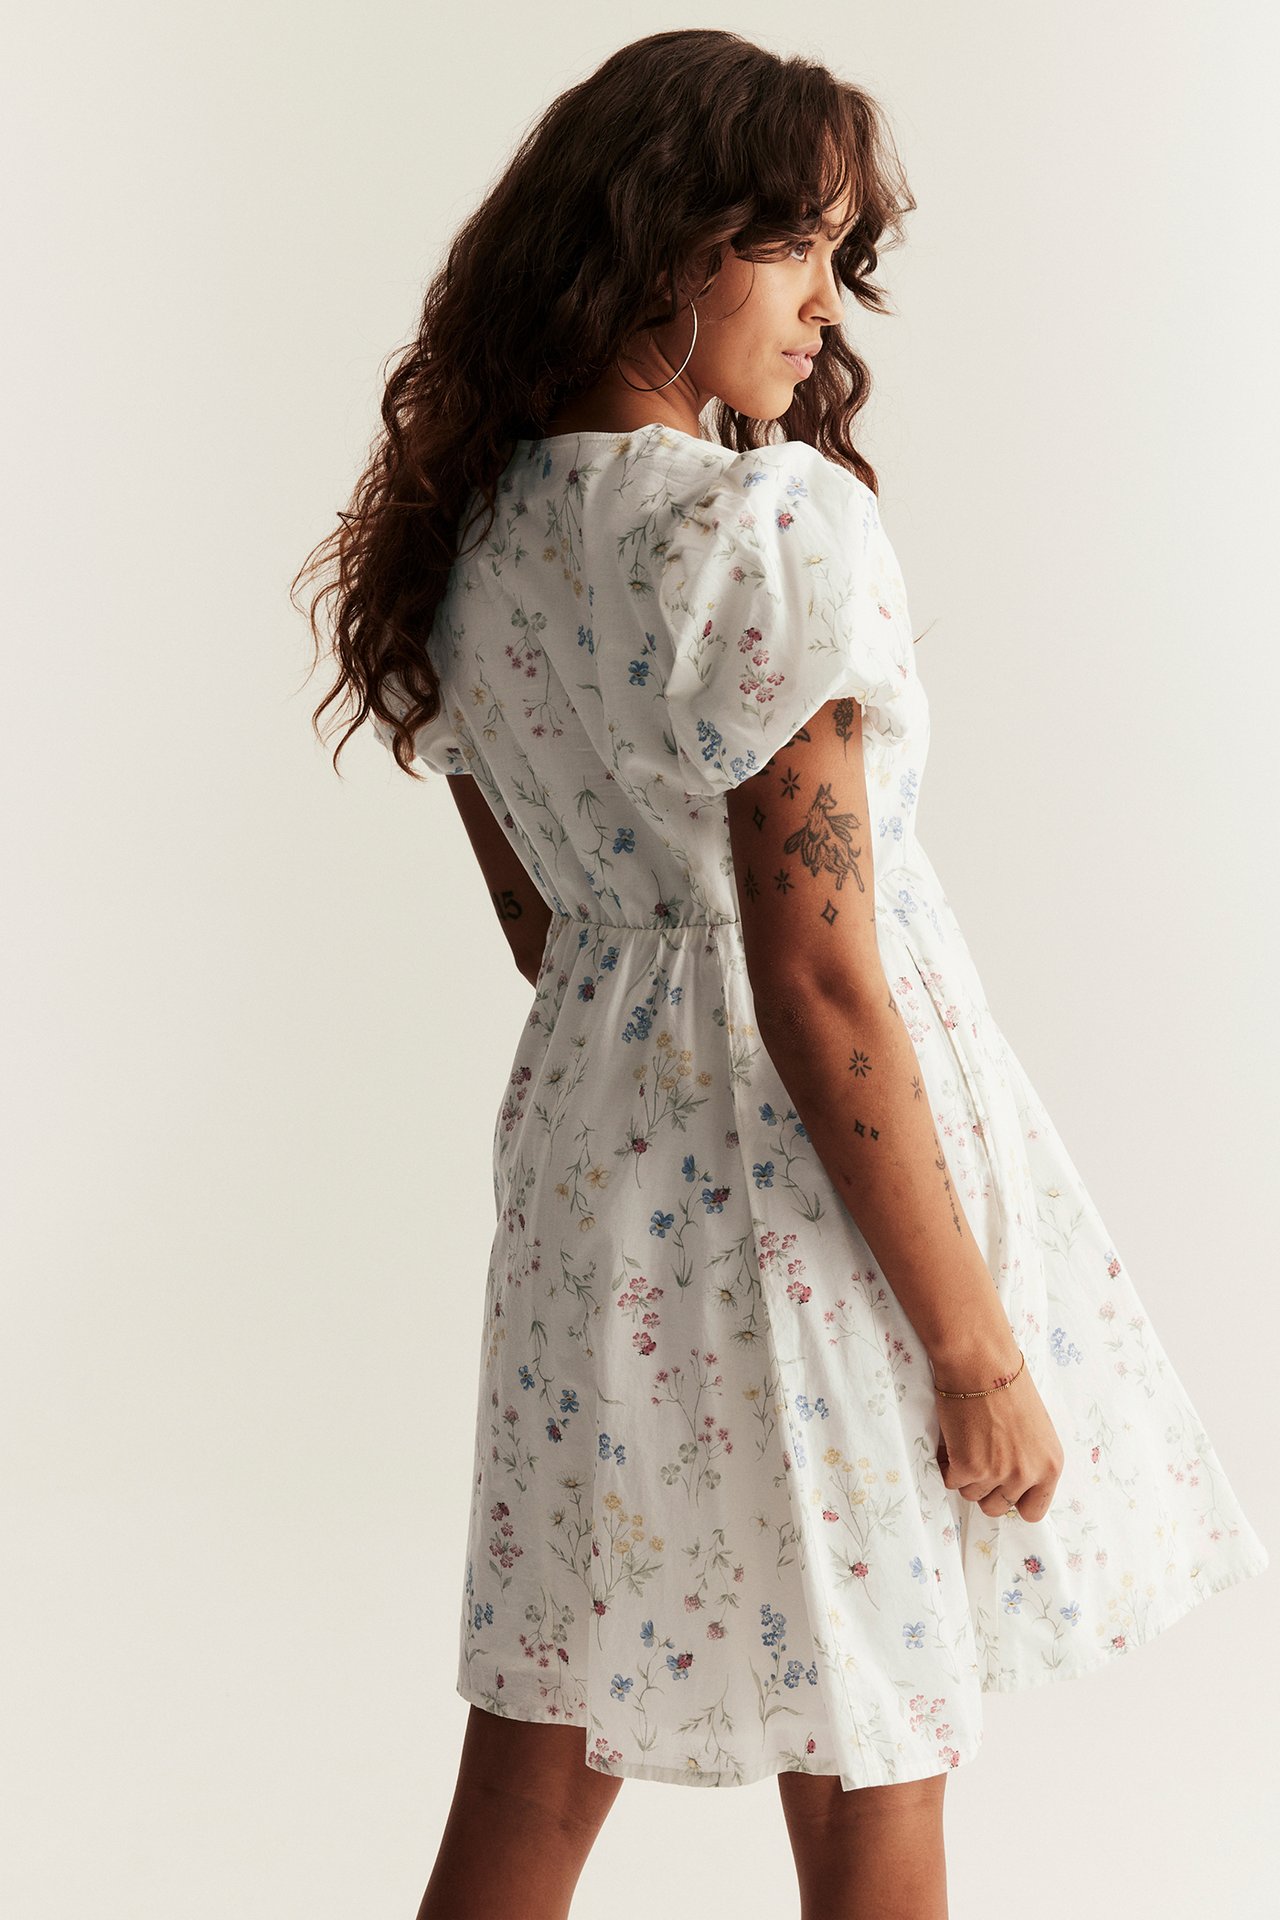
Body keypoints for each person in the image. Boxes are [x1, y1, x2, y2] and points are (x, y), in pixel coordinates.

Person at [294, 29, 1269, 1920]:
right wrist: (974, 1352)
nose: (828, 307)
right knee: (873, 1755)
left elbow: (547, 932)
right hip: (806, 1196)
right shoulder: (756, 527)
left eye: (840, 257)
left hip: (594, 1184)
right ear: (666, 241)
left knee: (539, 1758)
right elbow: (817, 982)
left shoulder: (478, 542)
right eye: (797, 248)